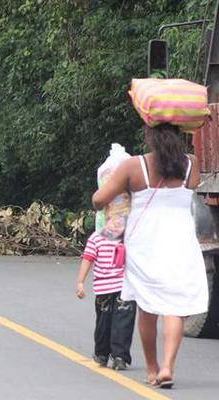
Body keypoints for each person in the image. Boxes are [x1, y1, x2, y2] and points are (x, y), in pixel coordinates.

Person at [92, 123, 208, 388]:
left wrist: (106, 193)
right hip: (180, 240)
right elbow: (189, 189)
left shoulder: (133, 166)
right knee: (175, 308)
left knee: (147, 305)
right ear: (180, 136)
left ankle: (153, 368)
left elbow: (99, 199)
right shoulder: (191, 164)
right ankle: (168, 366)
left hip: (145, 242)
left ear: (148, 137)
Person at [76, 230, 136, 370]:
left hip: (125, 287)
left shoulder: (130, 236)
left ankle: (120, 357)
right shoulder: (97, 238)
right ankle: (101, 353)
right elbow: (88, 258)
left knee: (123, 323)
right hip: (104, 289)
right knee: (103, 323)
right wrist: (80, 282)